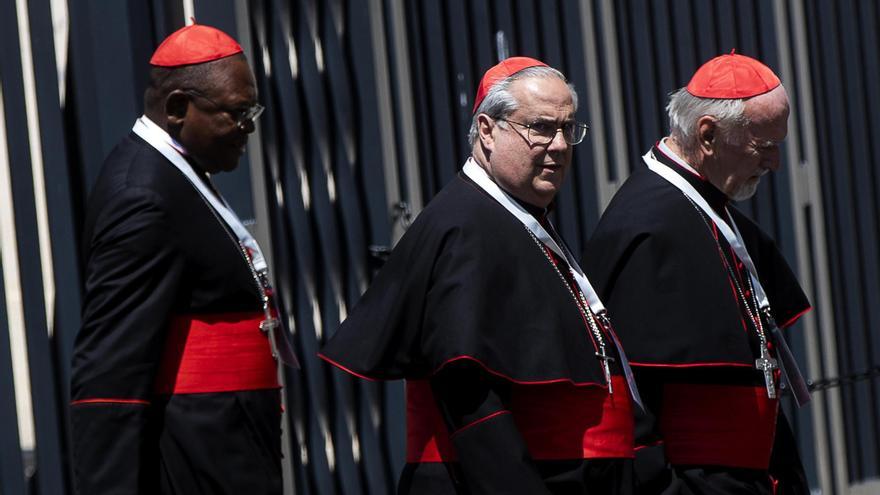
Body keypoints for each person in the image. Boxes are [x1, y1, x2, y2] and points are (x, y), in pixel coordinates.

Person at [320, 57, 641, 494]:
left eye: (568, 128)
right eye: (542, 127)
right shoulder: (467, 226)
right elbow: (469, 394)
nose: (561, 145)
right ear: (488, 130)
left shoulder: (518, 217)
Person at [70, 24, 291, 494]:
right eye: (235, 113)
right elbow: (110, 372)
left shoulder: (178, 172)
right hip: (193, 451)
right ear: (176, 109)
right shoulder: (143, 195)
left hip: (224, 442)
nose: (248, 127)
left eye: (251, 111)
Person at [583, 52, 812, 495]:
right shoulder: (646, 226)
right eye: (764, 146)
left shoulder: (705, 205)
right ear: (707, 134)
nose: (776, 163)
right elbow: (630, 396)